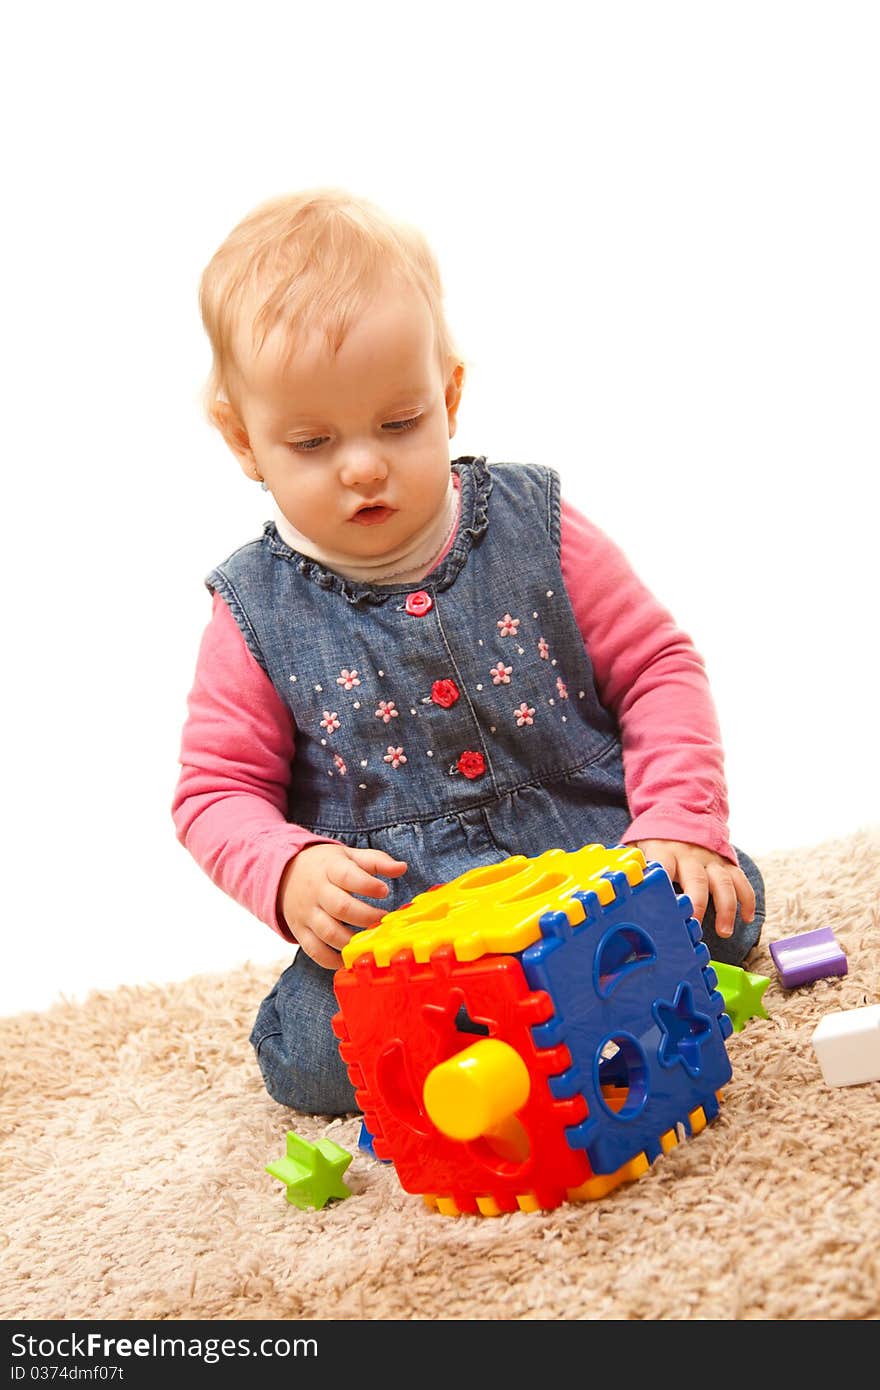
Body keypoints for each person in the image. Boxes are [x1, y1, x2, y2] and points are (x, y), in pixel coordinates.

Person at [172, 187, 765, 1116]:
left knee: (723, 912)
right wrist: (288, 871)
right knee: (314, 1065)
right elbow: (215, 792)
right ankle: (516, 1027)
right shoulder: (253, 610)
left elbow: (657, 670)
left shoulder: (535, 524)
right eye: (312, 441)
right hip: (411, 927)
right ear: (244, 440)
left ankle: (546, 1016)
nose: (362, 465)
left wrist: (679, 825)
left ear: (447, 394)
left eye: (398, 424)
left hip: (593, 863)